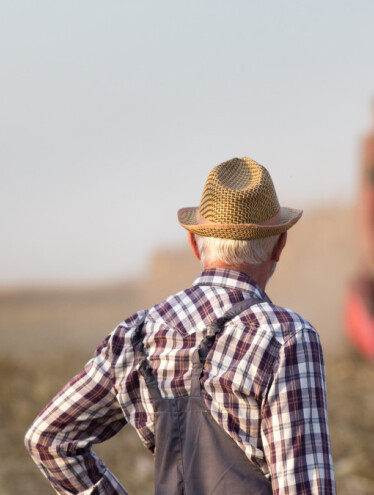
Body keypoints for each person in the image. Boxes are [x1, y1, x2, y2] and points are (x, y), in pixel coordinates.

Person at [25, 157, 336, 494]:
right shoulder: (286, 338)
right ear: (280, 245)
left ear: (193, 243)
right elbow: (306, 487)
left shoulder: (137, 335)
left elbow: (49, 439)